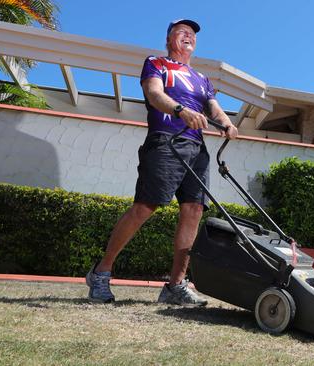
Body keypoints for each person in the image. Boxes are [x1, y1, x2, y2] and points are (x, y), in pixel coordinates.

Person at [86, 19, 238, 305]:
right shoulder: (156, 63)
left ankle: (175, 285)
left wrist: (228, 123)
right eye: (181, 32)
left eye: (192, 34)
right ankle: (101, 272)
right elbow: (154, 94)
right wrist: (180, 110)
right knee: (146, 206)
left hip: (197, 147)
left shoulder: (201, 78)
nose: (188, 36)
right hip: (165, 140)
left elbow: (213, 106)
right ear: (169, 39)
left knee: (194, 209)